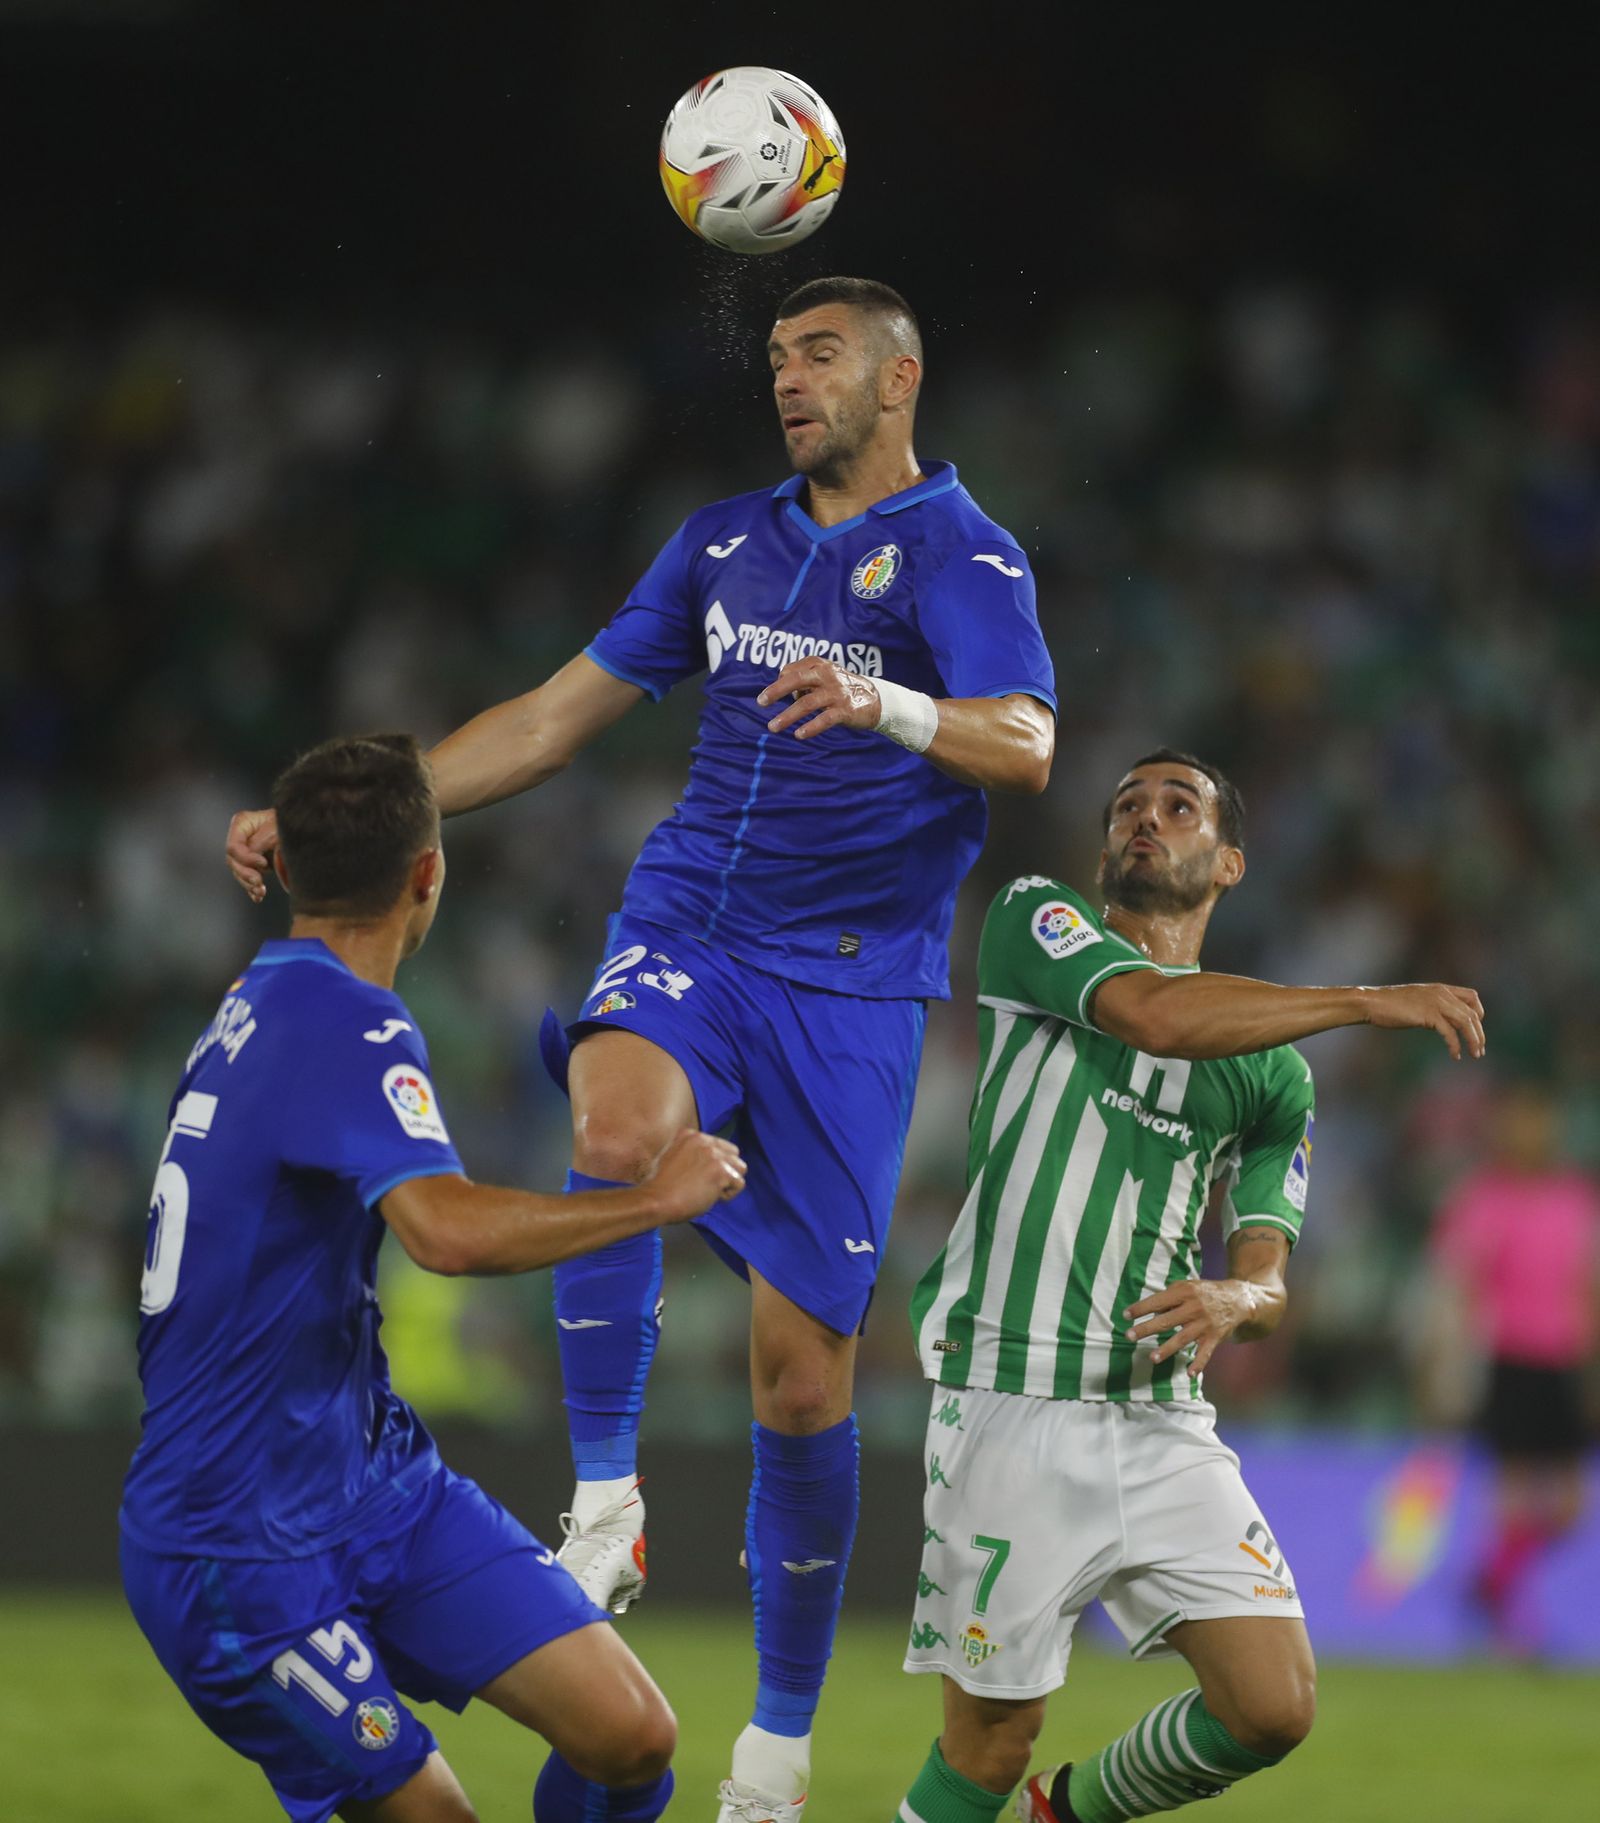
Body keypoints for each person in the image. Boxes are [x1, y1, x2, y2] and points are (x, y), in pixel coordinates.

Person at [226, 276, 1057, 1821]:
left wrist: (886, 701)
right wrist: (349, 811)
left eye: (822, 357)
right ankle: (603, 1496)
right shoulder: (720, 541)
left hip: (858, 991)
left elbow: (1027, 738)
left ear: (902, 376)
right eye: (781, 357)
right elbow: (548, 719)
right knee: (616, 1126)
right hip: (696, 923)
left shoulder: (961, 550)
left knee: (803, 1386)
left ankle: (778, 1751)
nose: (789, 381)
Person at [127, 734, 746, 1823]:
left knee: (631, 1734)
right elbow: (443, 1232)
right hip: (236, 1544)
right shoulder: (350, 1020)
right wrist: (653, 1198)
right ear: (428, 873)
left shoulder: (262, 993)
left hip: (372, 1482)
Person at [892, 749, 1487, 1823]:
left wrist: (1234, 1299)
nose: (1145, 818)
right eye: (1128, 804)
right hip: (1012, 1398)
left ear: (1229, 863)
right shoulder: (1039, 923)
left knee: (1271, 1706)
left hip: (1161, 1415)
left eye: (1178, 807)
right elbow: (1156, 1016)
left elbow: (1269, 1273)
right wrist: (1364, 999)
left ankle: (1061, 1811)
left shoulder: (1272, 1072)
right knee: (986, 1741)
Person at [1426, 1079, 1599, 1654]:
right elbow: (1459, 1285)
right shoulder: (1484, 1197)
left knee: (1570, 1508)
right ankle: (1508, 1624)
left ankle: (1490, 1582)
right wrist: (1449, 1364)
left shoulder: (1575, 1198)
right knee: (1515, 1496)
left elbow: (1589, 1286)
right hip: (1510, 1359)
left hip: (1564, 1361)